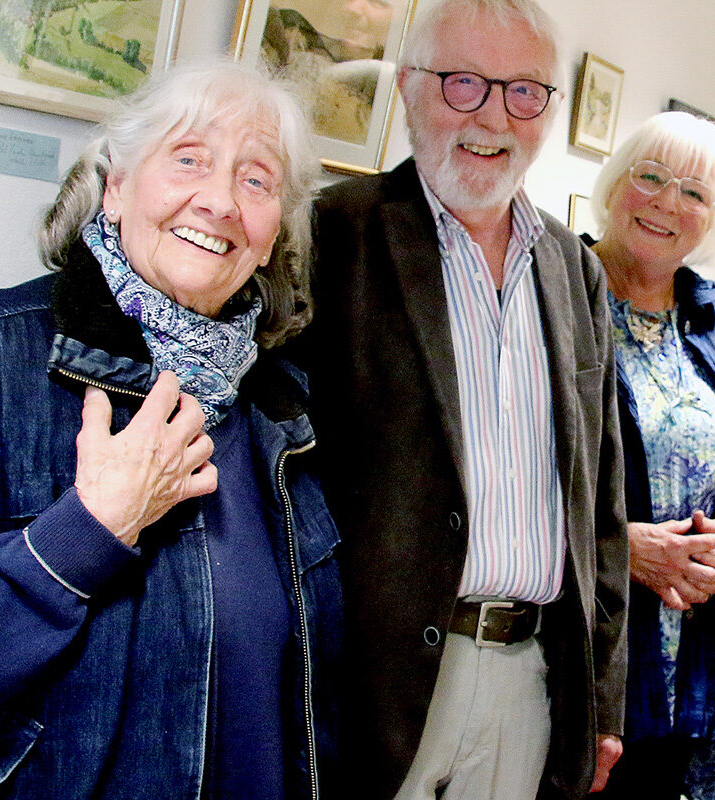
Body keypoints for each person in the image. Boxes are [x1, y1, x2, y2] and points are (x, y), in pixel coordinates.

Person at [0, 62, 337, 799]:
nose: (221, 201)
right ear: (116, 187)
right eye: (189, 159)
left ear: (270, 240)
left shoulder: (280, 407)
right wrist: (91, 528)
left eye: (256, 180)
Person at [291, 0, 628, 797]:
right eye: (464, 83)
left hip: (531, 681)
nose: (493, 117)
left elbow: (602, 508)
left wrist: (602, 698)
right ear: (409, 90)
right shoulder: (333, 236)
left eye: (523, 92)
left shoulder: (575, 271)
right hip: (374, 684)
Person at [583, 112, 715, 800]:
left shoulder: (709, 311)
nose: (665, 202)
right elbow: (519, 461)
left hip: (690, 658)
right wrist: (619, 546)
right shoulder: (563, 290)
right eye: (649, 177)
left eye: (694, 192)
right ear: (615, 183)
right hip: (590, 644)